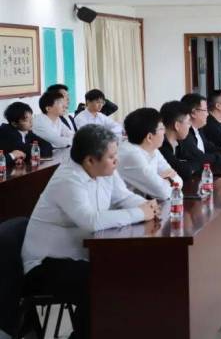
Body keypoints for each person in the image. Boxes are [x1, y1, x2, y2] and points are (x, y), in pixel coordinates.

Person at [22, 124, 159, 339]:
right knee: (99, 281)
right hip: (45, 265)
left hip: (81, 256)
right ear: (90, 160)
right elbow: (90, 221)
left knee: (125, 272)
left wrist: (148, 206)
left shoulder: (104, 171)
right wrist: (140, 213)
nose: (116, 160)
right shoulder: (67, 179)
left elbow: (123, 197)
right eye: (111, 157)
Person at [117, 108, 181, 200]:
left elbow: (178, 180)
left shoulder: (152, 149)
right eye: (161, 129)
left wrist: (162, 180)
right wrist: (165, 179)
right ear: (149, 137)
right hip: (123, 207)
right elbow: (164, 193)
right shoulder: (131, 155)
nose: (164, 132)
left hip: (143, 204)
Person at [178, 93, 221, 171]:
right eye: (205, 110)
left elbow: (208, 147)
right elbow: (199, 157)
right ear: (193, 113)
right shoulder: (185, 133)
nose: (207, 114)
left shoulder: (199, 129)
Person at [159, 101, 198, 181]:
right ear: (177, 125)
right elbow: (184, 171)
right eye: (188, 122)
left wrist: (189, 167)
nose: (190, 126)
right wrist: (189, 167)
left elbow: (199, 159)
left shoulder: (179, 143)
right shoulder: (161, 146)